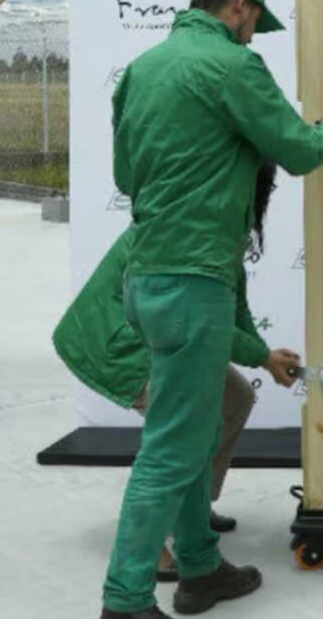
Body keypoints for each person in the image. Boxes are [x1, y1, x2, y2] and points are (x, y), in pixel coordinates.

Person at [94, 0, 323, 619]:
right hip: (193, 279)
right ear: (237, 7)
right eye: (252, 25)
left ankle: (202, 566)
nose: (251, 38)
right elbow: (297, 149)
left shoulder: (142, 69)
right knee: (173, 449)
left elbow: (124, 171)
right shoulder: (233, 67)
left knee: (191, 430)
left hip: (147, 278)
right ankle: (124, 603)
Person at [55, 169, 301, 581]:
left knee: (235, 398)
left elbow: (231, 304)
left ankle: (195, 510)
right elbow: (211, 321)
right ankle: (149, 552)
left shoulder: (222, 218)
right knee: (176, 440)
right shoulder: (191, 219)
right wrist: (261, 356)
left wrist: (264, 354)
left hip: (160, 333)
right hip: (116, 340)